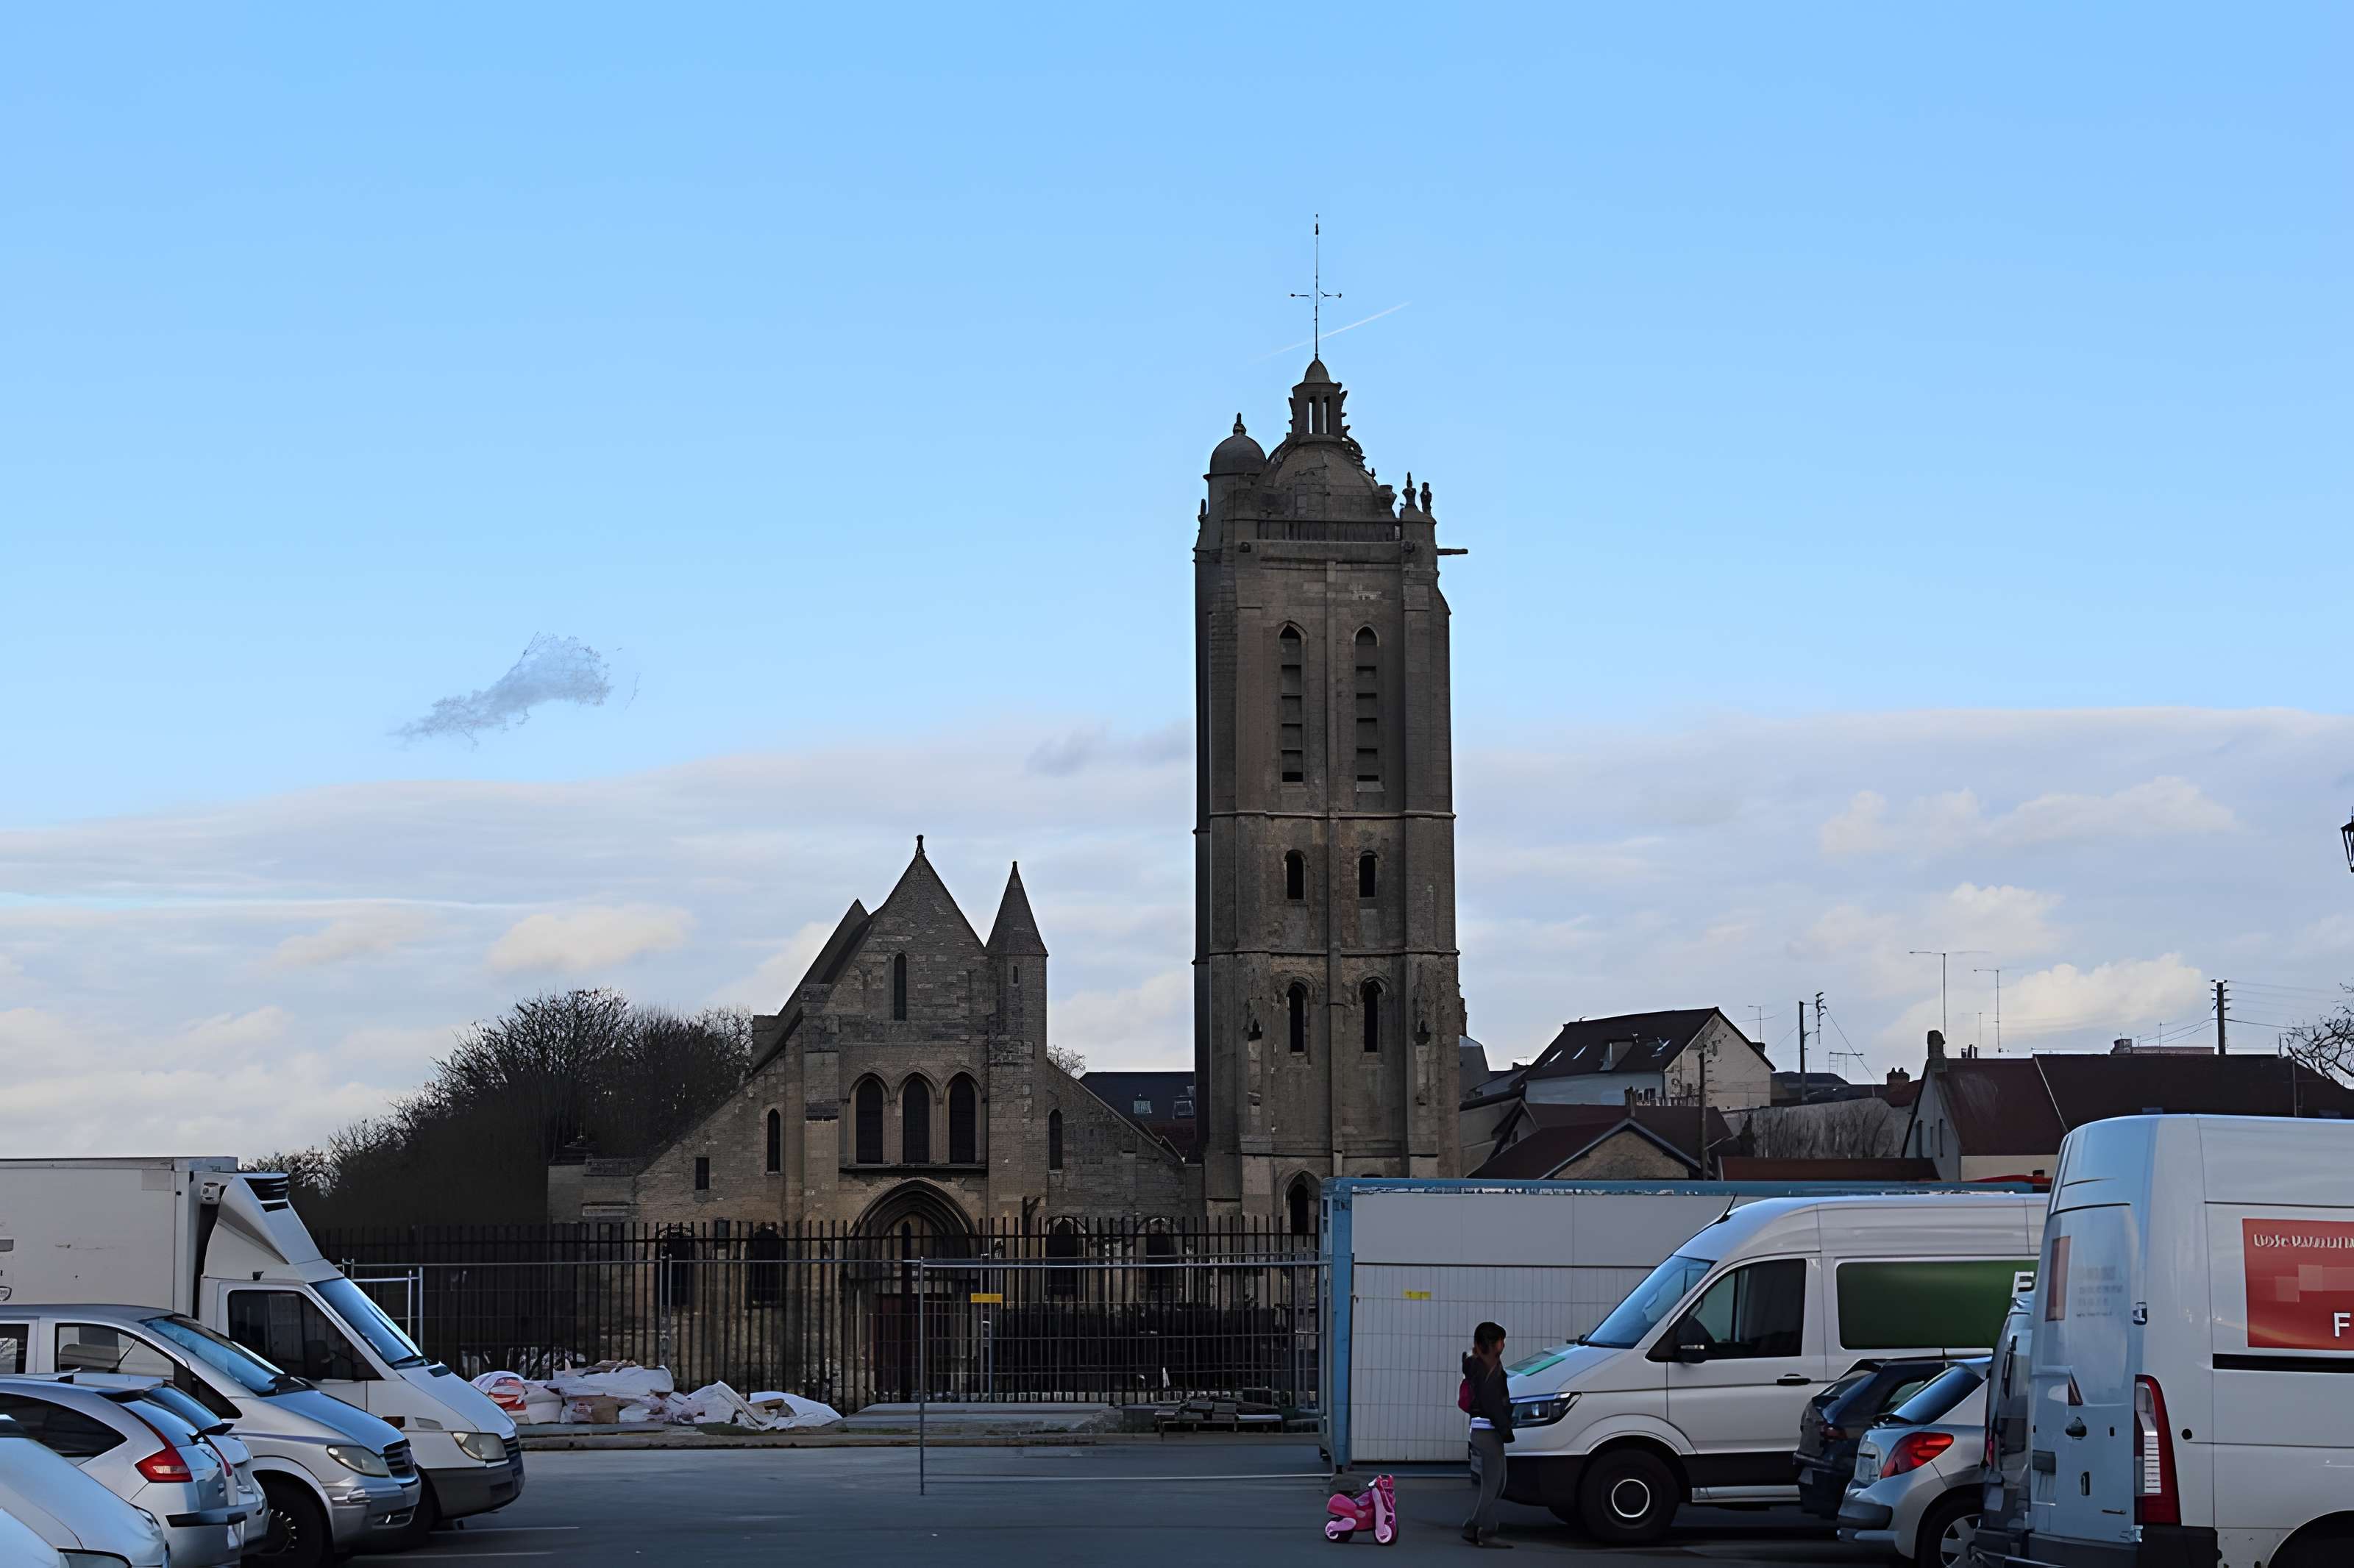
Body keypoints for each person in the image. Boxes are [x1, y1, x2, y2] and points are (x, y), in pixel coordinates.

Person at [1462, 1320, 1514, 1548]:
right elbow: (1493, 1403)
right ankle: (1483, 1530)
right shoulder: (1488, 1369)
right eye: (1501, 1340)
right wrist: (1505, 1430)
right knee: (1493, 1484)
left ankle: (1475, 1526)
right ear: (1493, 1344)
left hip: (1482, 1430)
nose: (1504, 1344)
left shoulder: (1480, 1364)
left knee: (1497, 1483)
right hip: (1489, 1432)